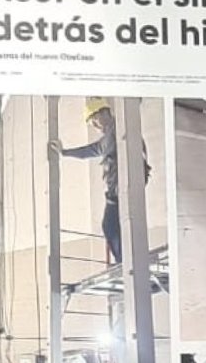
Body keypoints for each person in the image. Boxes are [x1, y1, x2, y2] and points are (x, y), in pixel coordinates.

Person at [49, 97, 152, 267]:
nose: (95, 127)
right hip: (124, 189)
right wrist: (64, 152)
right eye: (91, 124)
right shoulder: (109, 137)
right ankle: (127, 263)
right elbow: (89, 151)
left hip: (122, 189)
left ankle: (125, 264)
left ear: (104, 112)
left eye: (94, 121)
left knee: (110, 226)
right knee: (118, 227)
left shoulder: (120, 129)